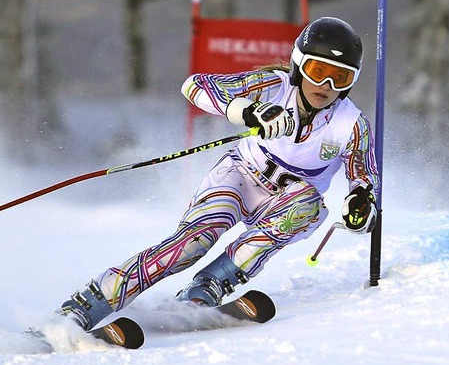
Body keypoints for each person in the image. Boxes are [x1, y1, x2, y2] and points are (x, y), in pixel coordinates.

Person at [57, 17, 380, 331]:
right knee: (191, 246)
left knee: (308, 206)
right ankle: (88, 305)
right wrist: (247, 110)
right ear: (298, 65)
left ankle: (205, 290)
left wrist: (361, 202)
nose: (325, 85)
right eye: (317, 71)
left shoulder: (352, 124)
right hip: (239, 177)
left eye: (340, 77)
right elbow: (195, 86)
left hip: (285, 201)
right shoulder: (273, 87)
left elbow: (364, 176)